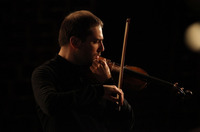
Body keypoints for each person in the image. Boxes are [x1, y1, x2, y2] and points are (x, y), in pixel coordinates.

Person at [31, 10, 134, 132]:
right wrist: (99, 91)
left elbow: (125, 123)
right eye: (96, 41)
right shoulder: (45, 73)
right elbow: (50, 104)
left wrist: (108, 81)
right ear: (75, 42)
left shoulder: (98, 76)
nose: (102, 48)